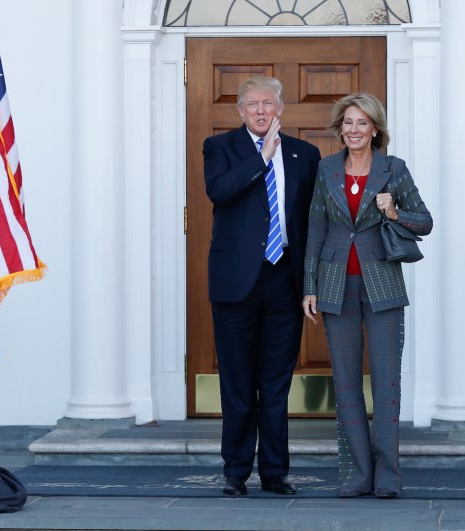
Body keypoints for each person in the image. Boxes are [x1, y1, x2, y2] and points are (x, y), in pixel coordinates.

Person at [302, 93, 432, 499]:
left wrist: (394, 212)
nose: (354, 130)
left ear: (375, 129)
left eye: (362, 123)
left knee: (386, 383)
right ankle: (357, 475)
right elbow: (316, 230)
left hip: (383, 287)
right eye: (348, 123)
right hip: (337, 285)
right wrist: (310, 286)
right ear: (340, 128)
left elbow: (424, 222)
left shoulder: (394, 169)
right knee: (345, 385)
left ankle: (388, 477)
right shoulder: (326, 169)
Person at [204, 76, 321, 496]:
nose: (259, 110)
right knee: (237, 384)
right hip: (236, 282)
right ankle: (235, 471)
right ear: (239, 110)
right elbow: (219, 192)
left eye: (267, 103)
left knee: (275, 383)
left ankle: (274, 472)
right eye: (251, 104)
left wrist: (312, 282)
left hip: (283, 279)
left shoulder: (306, 154)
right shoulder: (220, 149)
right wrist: (262, 159)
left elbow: (311, 222)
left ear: (280, 109)